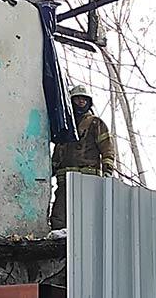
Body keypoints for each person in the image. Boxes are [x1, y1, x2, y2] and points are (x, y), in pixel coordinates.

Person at [49, 86, 115, 229]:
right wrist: (51, 169)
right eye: (78, 98)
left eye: (84, 99)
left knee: (87, 216)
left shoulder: (95, 123)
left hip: (88, 177)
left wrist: (108, 169)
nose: (81, 102)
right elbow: (59, 149)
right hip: (65, 178)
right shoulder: (64, 124)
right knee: (60, 216)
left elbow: (107, 148)